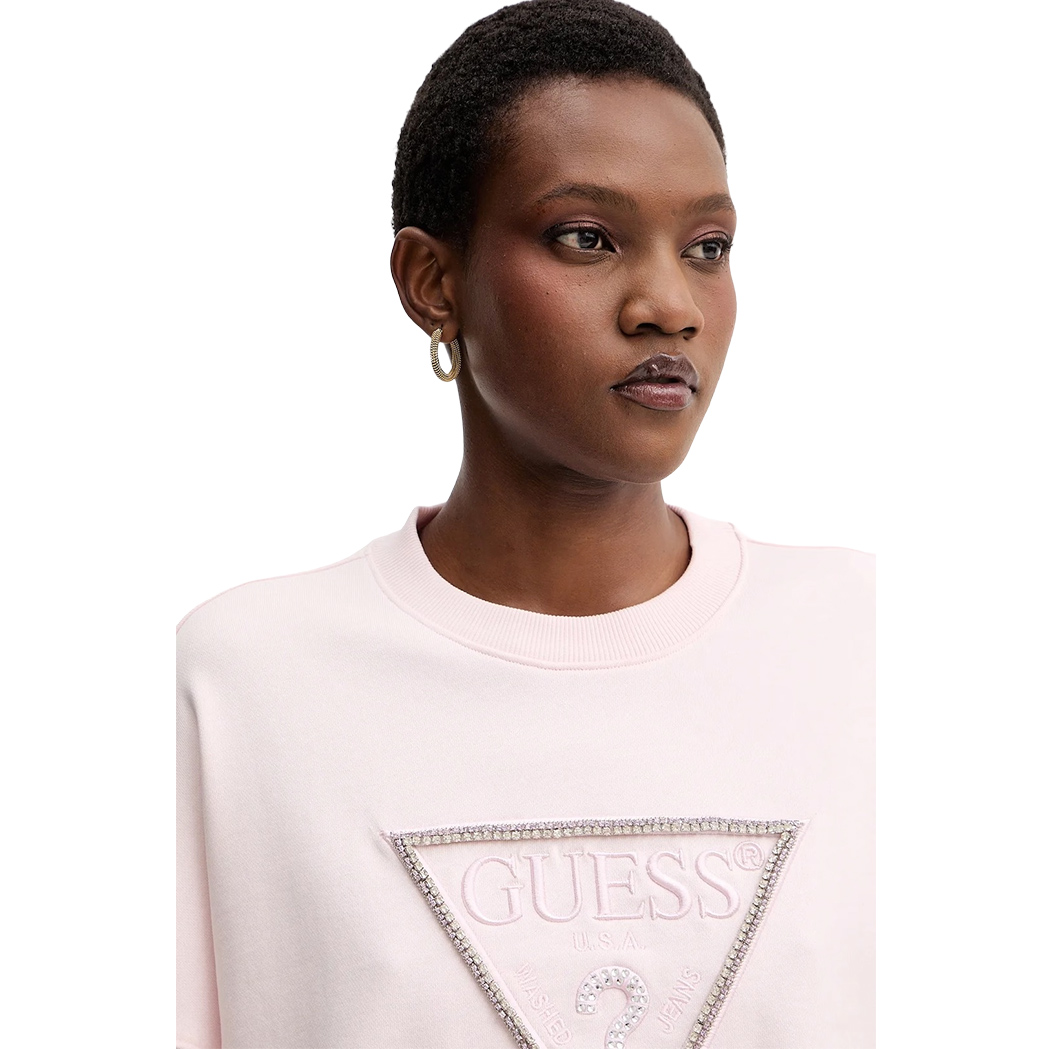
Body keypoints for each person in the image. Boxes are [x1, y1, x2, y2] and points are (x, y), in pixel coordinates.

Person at [176, 1, 874, 1047]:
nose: (670, 304)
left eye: (707, 247)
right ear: (433, 283)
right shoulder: (239, 681)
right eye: (587, 238)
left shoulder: (870, 644)